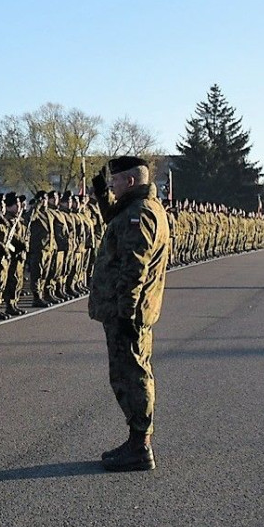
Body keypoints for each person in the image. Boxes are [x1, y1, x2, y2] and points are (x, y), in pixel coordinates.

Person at [88, 156, 171, 473]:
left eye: (116, 181)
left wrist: (125, 311)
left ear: (131, 182)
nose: (112, 184)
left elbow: (134, 267)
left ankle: (140, 447)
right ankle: (137, 441)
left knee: (132, 375)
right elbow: (113, 216)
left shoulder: (140, 214)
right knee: (131, 373)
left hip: (129, 312)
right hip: (133, 309)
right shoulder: (141, 207)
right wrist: (99, 191)